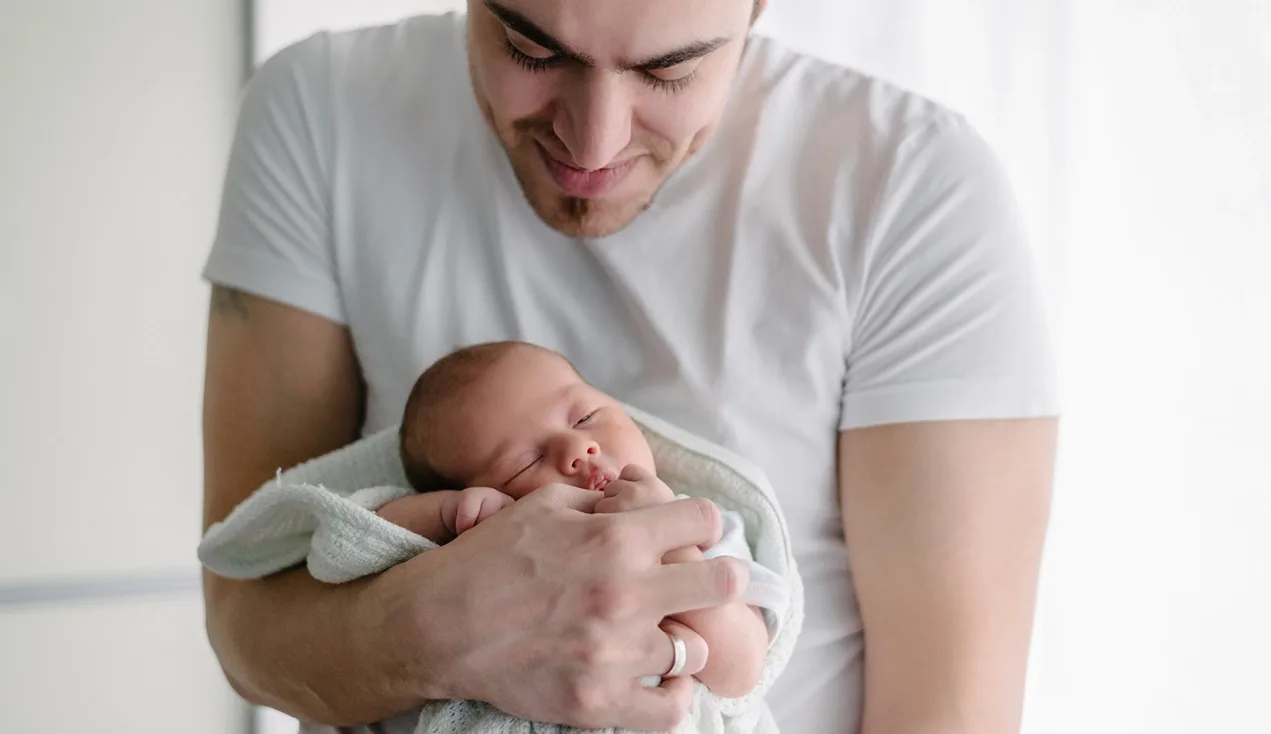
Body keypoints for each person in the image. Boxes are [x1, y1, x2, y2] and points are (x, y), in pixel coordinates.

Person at [200, 1, 1059, 733]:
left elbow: (947, 713)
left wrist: (683, 643)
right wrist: (451, 623)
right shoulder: (322, 112)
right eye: (532, 49)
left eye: (668, 71)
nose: (593, 141)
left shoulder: (913, 189)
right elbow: (247, 607)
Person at [376, 340, 786, 700]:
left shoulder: (702, 525)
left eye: (585, 418)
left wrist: (673, 543)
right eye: (524, 464)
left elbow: (743, 668)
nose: (577, 447)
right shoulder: (486, 543)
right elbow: (371, 536)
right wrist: (452, 514)